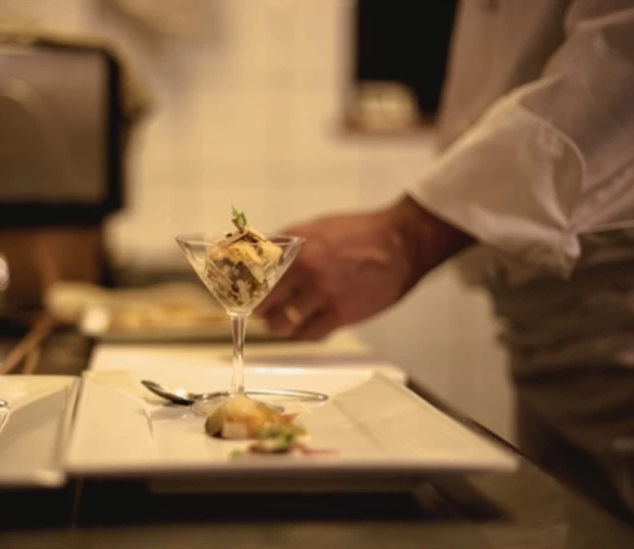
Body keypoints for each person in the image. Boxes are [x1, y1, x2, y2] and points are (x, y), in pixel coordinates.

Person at [256, 0, 634, 521]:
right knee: (572, 526)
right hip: (534, 320)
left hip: (615, 304)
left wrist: (404, 237)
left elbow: (618, 69)